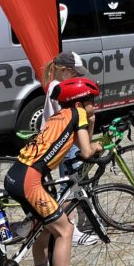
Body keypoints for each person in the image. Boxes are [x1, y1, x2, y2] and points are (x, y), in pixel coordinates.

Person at [4, 77, 103, 266]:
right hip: (31, 180)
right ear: (80, 101)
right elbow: (86, 150)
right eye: (92, 101)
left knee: (44, 228)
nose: (94, 105)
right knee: (65, 229)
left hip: (16, 174)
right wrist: (96, 140)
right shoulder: (78, 114)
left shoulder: (58, 116)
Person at [38, 52, 97, 245]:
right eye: (75, 73)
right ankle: (69, 226)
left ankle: (82, 220)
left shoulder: (56, 85)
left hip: (64, 140)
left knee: (77, 182)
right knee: (68, 187)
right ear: (64, 70)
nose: (77, 77)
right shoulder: (60, 88)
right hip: (64, 142)